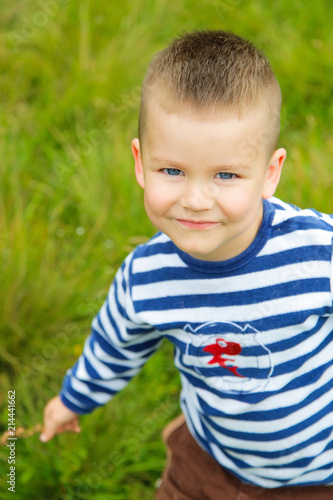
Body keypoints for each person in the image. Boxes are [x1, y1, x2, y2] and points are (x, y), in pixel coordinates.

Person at [41, 30, 333, 499]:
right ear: (140, 162)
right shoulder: (146, 279)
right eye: (172, 170)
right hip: (208, 458)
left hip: (317, 473)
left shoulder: (317, 252)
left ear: (270, 172)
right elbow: (115, 345)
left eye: (226, 175)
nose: (196, 200)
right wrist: (71, 400)